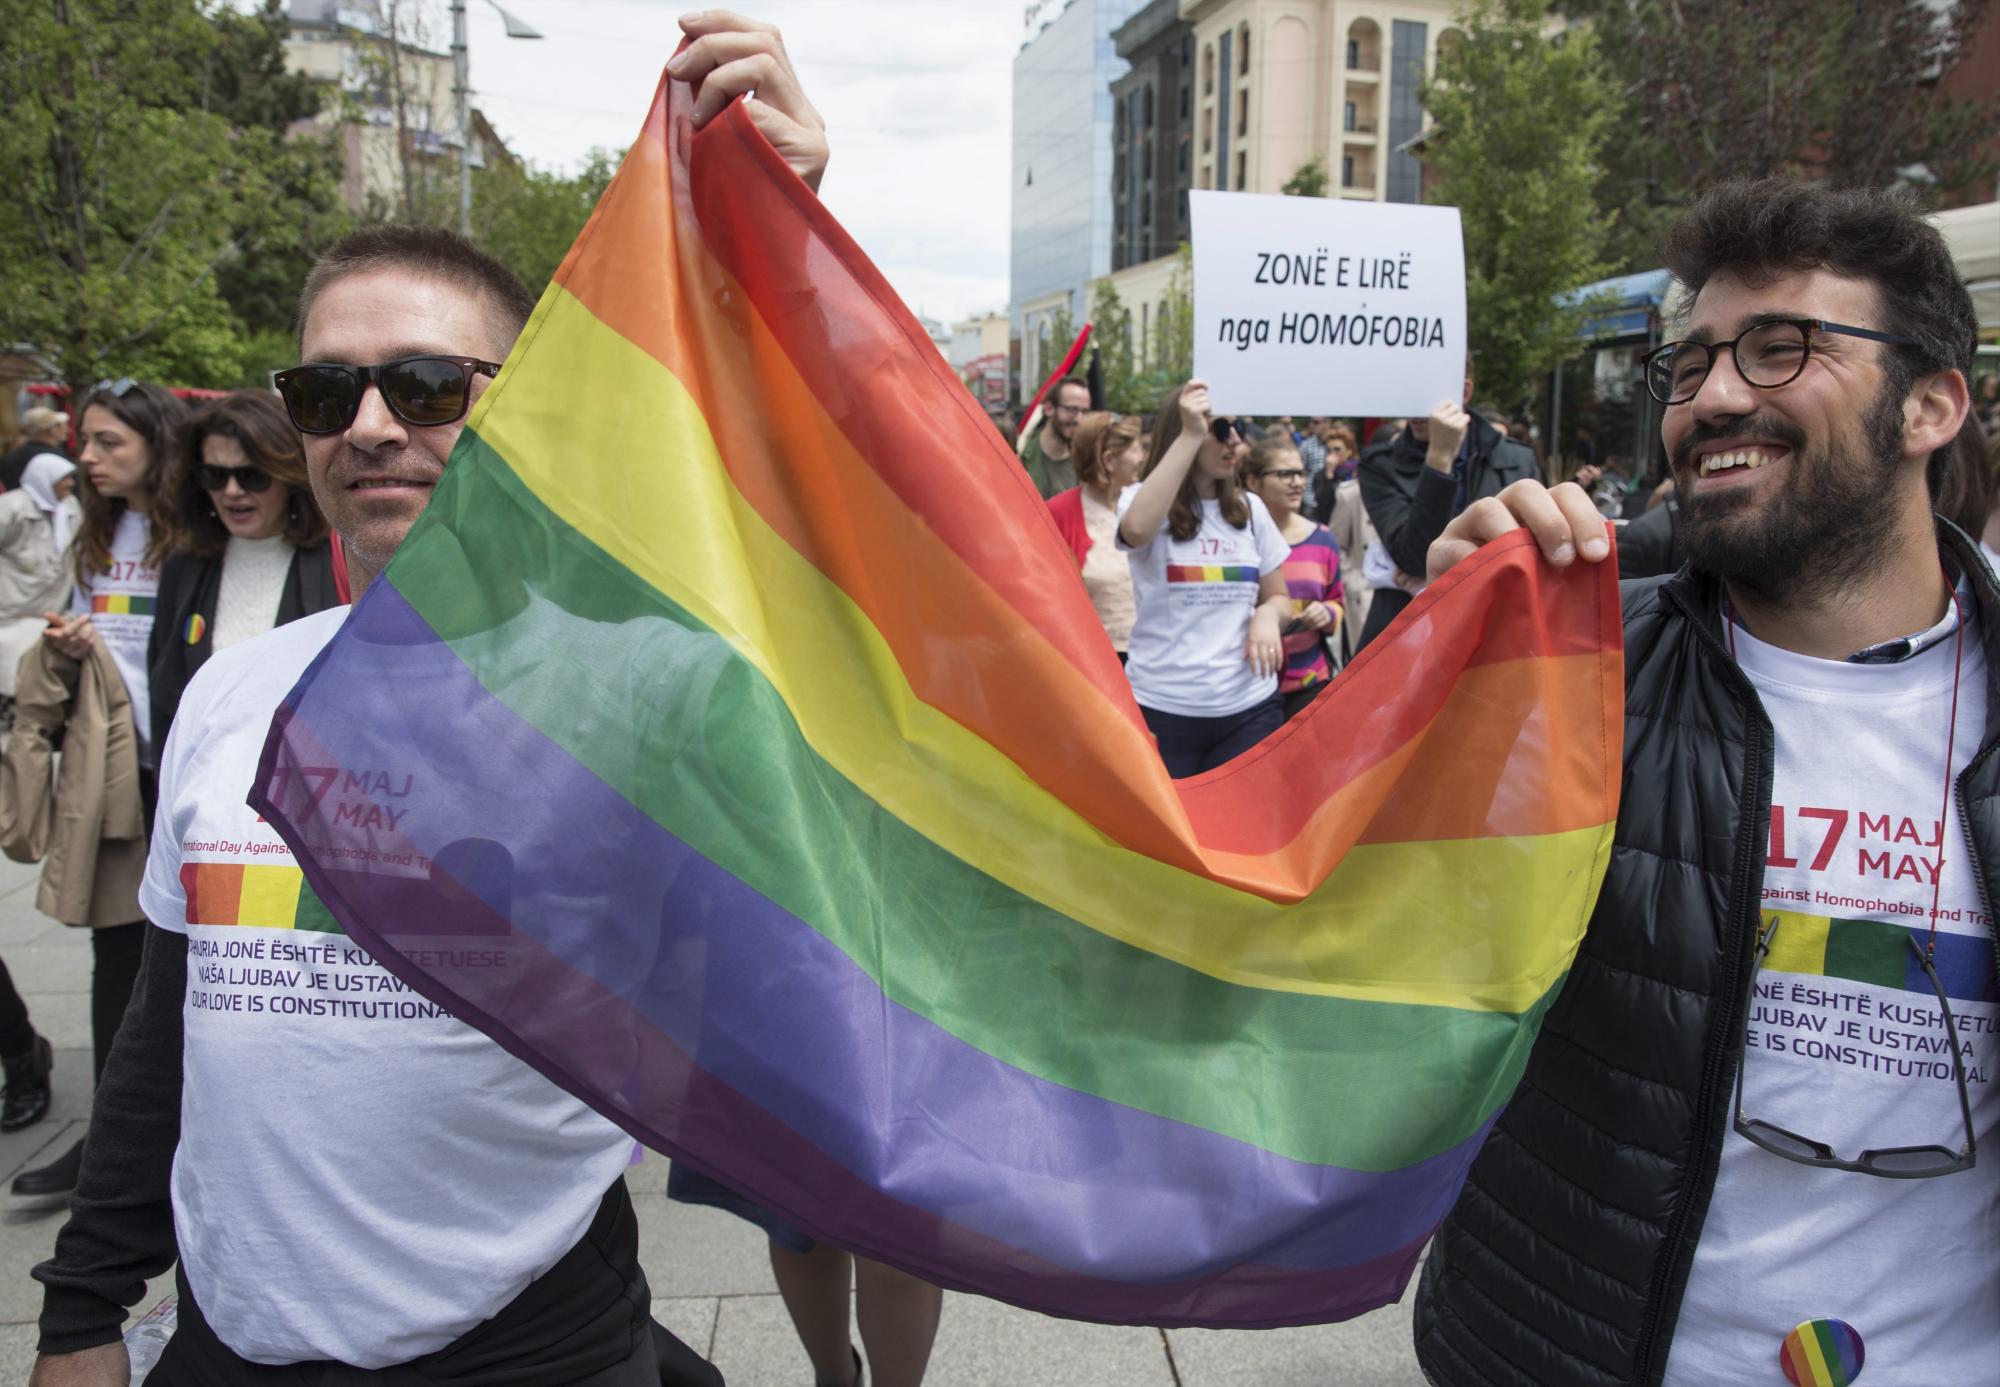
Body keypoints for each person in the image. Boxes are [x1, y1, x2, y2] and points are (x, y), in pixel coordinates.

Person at [28, 15, 828, 1384]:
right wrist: (82, 1309)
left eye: (427, 382)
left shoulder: (636, 695)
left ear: (517, 410)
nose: (375, 422)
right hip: (229, 1344)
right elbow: (165, 1034)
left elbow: (821, 601)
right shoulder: (235, 692)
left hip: (535, 1348)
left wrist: (782, 269)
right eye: (331, 389)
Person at [1411, 180, 1995, 1387]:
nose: (1713, 396)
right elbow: (1375, 967)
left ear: (1930, 404)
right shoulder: (1575, 678)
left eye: (1782, 350)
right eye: (1689, 366)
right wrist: (1436, 671)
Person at [8, 380, 183, 1210]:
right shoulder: (95, 529)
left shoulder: (202, 531)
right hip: (120, 775)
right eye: (87, 439)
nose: (88, 456)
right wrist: (71, 643)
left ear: (156, 441)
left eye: (110, 441)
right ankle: (115, 1142)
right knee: (116, 952)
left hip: (189, 774)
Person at [146, 391, 341, 754]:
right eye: (215, 476)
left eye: (251, 476)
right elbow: (164, 699)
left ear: (289, 475)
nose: (232, 491)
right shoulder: (183, 567)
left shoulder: (337, 562)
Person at [1115, 382, 1291, 778]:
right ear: (1183, 430)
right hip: (1162, 708)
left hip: (1249, 708)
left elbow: (1280, 597)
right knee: (1166, 839)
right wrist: (1193, 432)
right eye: (1221, 430)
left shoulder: (1251, 509)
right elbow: (1137, 530)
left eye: (1238, 428)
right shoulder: (1139, 499)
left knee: (1239, 834)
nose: (1236, 442)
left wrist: (1268, 616)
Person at [1354, 366, 1541, 650]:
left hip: (1494, 633)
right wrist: (1439, 460)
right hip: (1408, 637)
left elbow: (1528, 551)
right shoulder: (1380, 463)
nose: (1414, 411)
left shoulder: (1516, 457)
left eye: (1425, 396)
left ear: (1464, 391)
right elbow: (1414, 557)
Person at [1242, 437, 1342, 714]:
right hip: (1247, 685)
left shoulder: (1323, 539)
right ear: (1252, 481)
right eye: (1285, 474)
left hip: (1309, 683)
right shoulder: (1236, 541)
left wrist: (1327, 613)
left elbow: (1337, 602)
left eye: (1300, 473)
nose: (1297, 482)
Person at [1046, 410, 1144, 657]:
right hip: (1093, 661)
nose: (1142, 458)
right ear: (1109, 461)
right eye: (1136, 450)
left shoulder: (1147, 505)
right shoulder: (1058, 514)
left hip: (1151, 659)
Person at [0, 455, 81, 721]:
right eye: (63, 478)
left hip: (50, 615)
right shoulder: (12, 507)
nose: (70, 483)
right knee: (12, 689)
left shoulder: (69, 507)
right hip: (12, 615)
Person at [1019, 375, 1088, 499]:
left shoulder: (1084, 466)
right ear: (1049, 408)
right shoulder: (1021, 455)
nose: (1079, 419)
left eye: (1084, 412)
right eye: (1072, 409)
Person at [1, 407, 72, 491]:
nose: (67, 429)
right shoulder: (58, 457)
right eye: (58, 425)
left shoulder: (10, 458)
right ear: (50, 430)